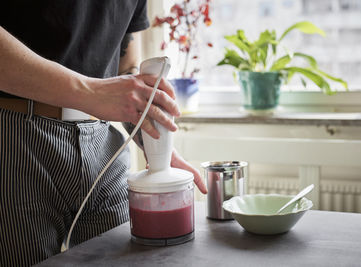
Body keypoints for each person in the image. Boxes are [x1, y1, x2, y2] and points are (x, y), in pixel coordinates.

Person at [0, 1, 207, 266]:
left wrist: (154, 143)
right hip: (17, 136)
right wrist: (90, 91)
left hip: (105, 144)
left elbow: (127, 65)